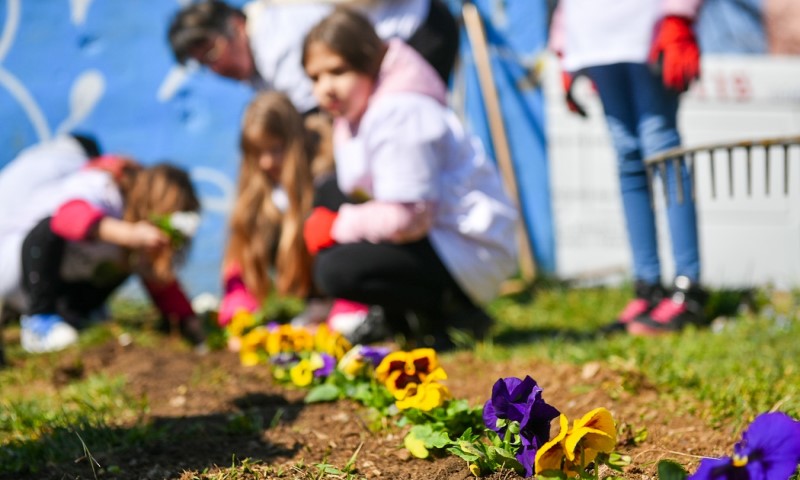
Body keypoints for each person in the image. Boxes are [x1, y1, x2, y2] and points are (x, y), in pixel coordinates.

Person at [300, 8, 519, 348]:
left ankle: (453, 311)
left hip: (468, 250)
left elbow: (409, 217)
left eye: (337, 71)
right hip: (436, 237)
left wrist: (336, 227)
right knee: (329, 193)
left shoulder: (400, 111)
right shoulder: (356, 108)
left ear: (369, 63)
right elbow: (357, 190)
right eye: (314, 77)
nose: (325, 88)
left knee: (336, 269)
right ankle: (400, 320)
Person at [551, 0, 707, 335]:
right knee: (628, 157)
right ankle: (647, 287)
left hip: (648, 27)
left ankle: (687, 289)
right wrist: (563, 42)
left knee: (661, 147)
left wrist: (679, 15)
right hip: (592, 36)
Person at [0, 139, 206, 353]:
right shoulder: (102, 187)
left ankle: (69, 314)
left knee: (131, 260)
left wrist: (191, 324)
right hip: (17, 268)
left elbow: (158, 280)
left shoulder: (136, 228)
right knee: (49, 229)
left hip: (59, 289)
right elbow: (66, 218)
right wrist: (129, 234)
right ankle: (39, 323)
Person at [167, 0, 459, 115]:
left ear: (235, 25)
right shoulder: (259, 53)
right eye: (204, 64)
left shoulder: (275, 47)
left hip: (417, 32)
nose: (215, 67)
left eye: (212, 52)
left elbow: (321, 118)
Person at [219, 91, 335, 332]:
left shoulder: (324, 182)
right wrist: (240, 313)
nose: (266, 162)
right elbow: (239, 256)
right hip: (299, 307)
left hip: (334, 299)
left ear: (295, 141)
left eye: (276, 149)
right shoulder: (257, 193)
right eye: (257, 152)